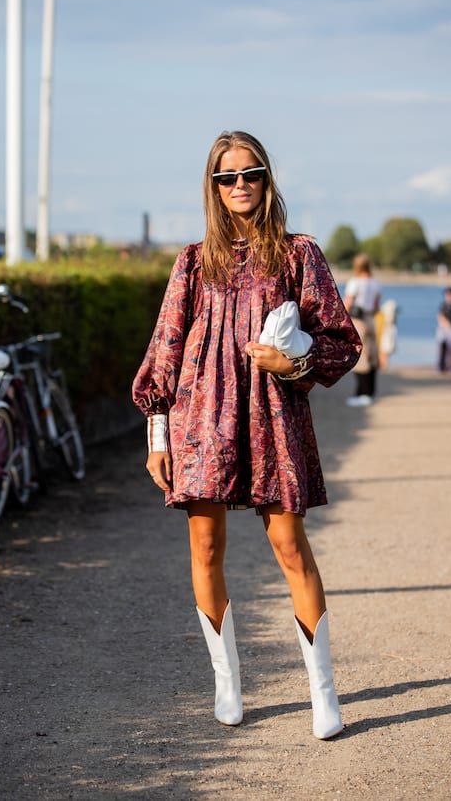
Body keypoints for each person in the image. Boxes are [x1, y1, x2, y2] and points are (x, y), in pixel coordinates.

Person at [132, 131, 362, 740]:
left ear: (267, 179)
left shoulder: (298, 254)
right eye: (226, 177)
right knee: (205, 548)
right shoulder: (190, 261)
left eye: (250, 173)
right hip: (199, 421)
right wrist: (158, 435)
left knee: (290, 547)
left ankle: (322, 693)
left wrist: (295, 364)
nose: (240, 185)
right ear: (211, 187)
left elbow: (343, 340)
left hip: (271, 415)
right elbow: (166, 351)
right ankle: (227, 684)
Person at [343, 253, 381, 405]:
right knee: (372, 356)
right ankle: (371, 392)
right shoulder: (375, 283)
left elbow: (348, 303)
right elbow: (377, 307)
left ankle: (362, 393)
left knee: (361, 357)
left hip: (358, 320)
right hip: (371, 319)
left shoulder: (355, 282)